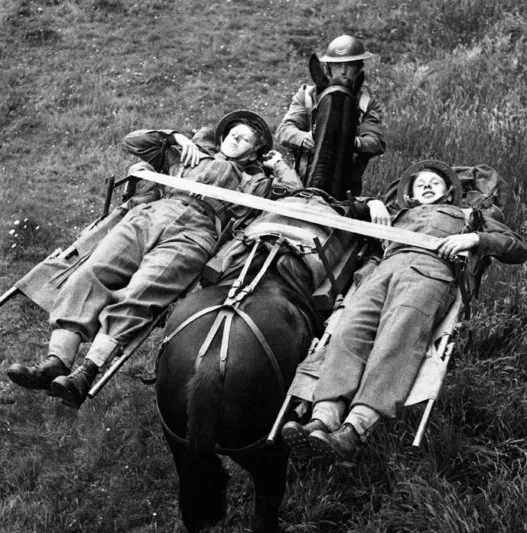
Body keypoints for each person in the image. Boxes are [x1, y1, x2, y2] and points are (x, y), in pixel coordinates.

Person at [7, 110, 303, 409]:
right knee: (90, 273)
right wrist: (173, 136)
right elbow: (134, 141)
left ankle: (86, 372)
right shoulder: (191, 155)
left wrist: (278, 165)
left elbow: (296, 194)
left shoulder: (257, 181)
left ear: (255, 149)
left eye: (244, 139)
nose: (234, 141)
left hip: (196, 233)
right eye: (231, 135)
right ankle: (57, 361)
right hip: (150, 216)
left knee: (142, 291)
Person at [281, 159, 527, 462]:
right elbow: (343, 206)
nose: (426, 185)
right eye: (419, 182)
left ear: (449, 192)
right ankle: (324, 417)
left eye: (434, 182)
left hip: (429, 272)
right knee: (349, 332)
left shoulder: (470, 215)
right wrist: (373, 203)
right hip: (381, 272)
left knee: (397, 336)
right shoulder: (397, 214)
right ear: (408, 193)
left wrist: (475, 238)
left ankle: (355, 428)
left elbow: (517, 246)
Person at [275, 34, 386, 195]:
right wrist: (303, 138)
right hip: (299, 182)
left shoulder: (367, 104)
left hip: (345, 187)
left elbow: (376, 141)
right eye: (337, 65)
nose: (343, 72)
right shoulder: (307, 96)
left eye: (349, 65)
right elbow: (284, 130)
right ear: (328, 68)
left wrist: (353, 142)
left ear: (359, 67)